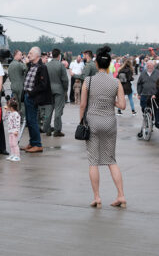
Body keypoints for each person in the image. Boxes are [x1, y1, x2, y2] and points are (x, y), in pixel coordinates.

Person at [79, 45, 126, 209]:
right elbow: (123, 105)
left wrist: (81, 122)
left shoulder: (88, 81)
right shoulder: (116, 82)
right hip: (109, 122)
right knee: (111, 160)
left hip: (92, 121)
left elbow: (83, 104)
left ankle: (97, 197)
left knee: (93, 161)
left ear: (97, 64)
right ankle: (121, 195)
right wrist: (110, 101)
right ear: (109, 65)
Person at [22, 46, 52, 153]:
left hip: (32, 97)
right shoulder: (31, 66)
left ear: (37, 55)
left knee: (33, 121)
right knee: (29, 121)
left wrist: (31, 92)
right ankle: (32, 142)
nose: (28, 55)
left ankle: (38, 144)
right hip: (27, 96)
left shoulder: (42, 67)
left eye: (30, 53)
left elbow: (44, 85)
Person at [44, 48, 68, 136]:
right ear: (59, 55)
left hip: (49, 90)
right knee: (58, 111)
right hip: (59, 90)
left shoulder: (47, 65)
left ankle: (47, 129)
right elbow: (65, 80)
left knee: (48, 111)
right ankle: (57, 130)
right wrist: (65, 89)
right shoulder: (61, 65)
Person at [8, 50, 26, 115]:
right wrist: (25, 63)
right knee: (22, 104)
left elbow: (9, 77)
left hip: (13, 85)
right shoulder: (19, 64)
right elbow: (26, 69)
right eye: (20, 55)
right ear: (17, 55)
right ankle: (22, 119)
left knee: (16, 104)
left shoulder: (10, 65)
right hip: (20, 86)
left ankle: (16, 117)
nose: (21, 56)